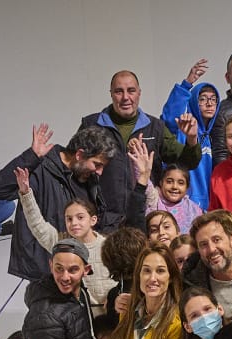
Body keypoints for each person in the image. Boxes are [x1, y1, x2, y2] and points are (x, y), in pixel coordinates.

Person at [79, 70, 202, 229]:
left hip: (145, 221)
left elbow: (188, 163)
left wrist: (191, 139)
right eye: (119, 91)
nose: (125, 97)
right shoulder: (91, 125)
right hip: (102, 222)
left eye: (131, 91)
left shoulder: (156, 127)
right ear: (111, 94)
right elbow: (73, 166)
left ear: (139, 93)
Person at [0, 124, 115, 281]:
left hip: (78, 269)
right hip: (44, 271)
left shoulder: (89, 179)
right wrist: (31, 157)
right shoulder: (40, 167)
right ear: (79, 155)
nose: (100, 172)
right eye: (97, 164)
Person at [14, 167, 114, 314]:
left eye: (80, 217)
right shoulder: (62, 243)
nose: (74, 223)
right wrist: (26, 193)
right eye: (69, 219)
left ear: (93, 220)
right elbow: (37, 225)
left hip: (108, 314)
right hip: (77, 316)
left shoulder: (108, 245)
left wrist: (114, 298)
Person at [109, 243, 184, 339]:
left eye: (160, 271)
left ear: (170, 277)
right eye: (146, 271)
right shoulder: (126, 313)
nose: (152, 278)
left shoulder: (177, 325)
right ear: (139, 276)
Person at [160, 59, 221, 209]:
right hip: (184, 202)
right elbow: (169, 117)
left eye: (213, 99)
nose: (209, 103)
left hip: (208, 204)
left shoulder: (214, 135)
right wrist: (187, 84)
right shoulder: (185, 127)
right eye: (203, 99)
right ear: (194, 101)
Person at [144, 165, 204, 233]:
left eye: (181, 183)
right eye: (169, 182)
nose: (174, 186)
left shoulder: (193, 209)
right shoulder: (154, 199)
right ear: (161, 183)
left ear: (187, 187)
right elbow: (143, 179)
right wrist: (144, 170)